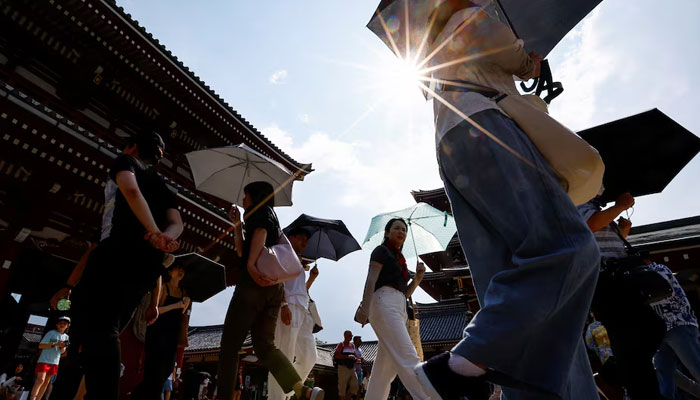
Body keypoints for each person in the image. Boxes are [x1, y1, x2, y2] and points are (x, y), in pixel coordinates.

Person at [405, 3, 601, 400]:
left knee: (511, 283)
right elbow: (509, 55)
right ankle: (462, 364)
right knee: (569, 247)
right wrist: (529, 63)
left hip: (454, 145)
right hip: (487, 126)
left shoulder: (431, 51)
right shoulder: (470, 17)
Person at [51, 131, 183, 400]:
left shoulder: (126, 162)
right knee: (105, 331)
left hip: (115, 252)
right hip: (145, 267)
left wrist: (152, 230)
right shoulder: (163, 187)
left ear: (132, 147)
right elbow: (178, 222)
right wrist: (164, 236)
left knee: (92, 331)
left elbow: (130, 189)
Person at [216, 181, 323, 400]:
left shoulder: (261, 211)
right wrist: (237, 225)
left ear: (255, 196)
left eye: (245, 196)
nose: (243, 201)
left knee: (230, 345)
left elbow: (260, 235)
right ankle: (301, 389)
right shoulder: (270, 220)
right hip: (273, 290)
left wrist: (251, 266)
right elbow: (240, 250)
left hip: (253, 286)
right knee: (266, 346)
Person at [578, 192, 666, 399]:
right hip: (607, 282)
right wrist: (619, 206)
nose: (601, 189)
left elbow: (599, 238)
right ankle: (621, 375)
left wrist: (622, 231)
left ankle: (622, 375)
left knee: (637, 338)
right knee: (644, 331)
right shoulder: (576, 200)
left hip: (614, 281)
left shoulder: (594, 208)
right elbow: (589, 225)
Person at [354, 219, 429, 400]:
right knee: (407, 355)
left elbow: (405, 293)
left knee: (385, 371)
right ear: (387, 232)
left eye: (404, 229)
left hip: (399, 306)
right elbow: (371, 280)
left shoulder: (400, 260)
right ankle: (427, 397)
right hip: (383, 303)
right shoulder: (381, 251)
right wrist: (364, 308)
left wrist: (417, 278)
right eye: (396, 228)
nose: (401, 232)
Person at [267, 228, 319, 400]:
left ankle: (289, 391)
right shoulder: (283, 251)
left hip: (304, 309)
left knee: (310, 356)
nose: (305, 242)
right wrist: (282, 304)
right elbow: (277, 280)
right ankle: (277, 397)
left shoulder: (299, 261)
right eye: (301, 238)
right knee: (285, 355)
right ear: (291, 238)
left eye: (307, 239)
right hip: (288, 306)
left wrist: (311, 278)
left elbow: (300, 289)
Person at [131, 264, 191, 400]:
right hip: (158, 332)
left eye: (183, 269)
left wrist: (185, 303)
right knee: (154, 373)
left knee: (167, 371)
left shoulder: (183, 292)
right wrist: (176, 305)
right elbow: (156, 310)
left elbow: (180, 313)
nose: (182, 271)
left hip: (172, 334)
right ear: (170, 271)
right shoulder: (163, 287)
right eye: (178, 268)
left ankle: (135, 396)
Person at [650, 262, 700, 399]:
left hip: (678, 323)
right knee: (665, 378)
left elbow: (660, 290)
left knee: (696, 367)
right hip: (660, 331)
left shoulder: (658, 269)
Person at [30, 317, 70, 400]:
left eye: (64, 323)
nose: (62, 324)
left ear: (68, 326)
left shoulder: (66, 337)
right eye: (60, 323)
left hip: (55, 362)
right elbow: (40, 345)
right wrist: (55, 344)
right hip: (44, 360)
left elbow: (62, 352)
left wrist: (62, 347)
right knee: (40, 380)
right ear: (57, 325)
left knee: (46, 383)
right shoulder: (51, 333)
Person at [333, 331, 358, 400]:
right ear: (345, 336)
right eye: (349, 335)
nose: (351, 337)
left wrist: (357, 359)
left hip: (352, 368)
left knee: (355, 385)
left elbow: (354, 356)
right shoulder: (341, 344)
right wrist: (347, 356)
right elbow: (337, 355)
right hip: (343, 367)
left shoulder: (352, 345)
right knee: (342, 388)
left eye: (351, 335)